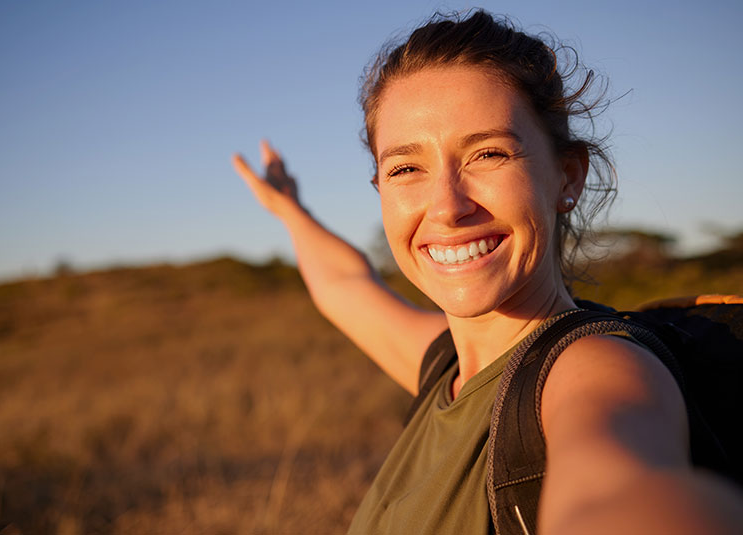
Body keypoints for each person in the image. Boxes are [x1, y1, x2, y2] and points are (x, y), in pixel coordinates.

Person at [232, 10, 743, 535]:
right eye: (406, 168)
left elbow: (617, 491)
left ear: (567, 176)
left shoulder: (595, 369)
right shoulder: (446, 368)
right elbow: (345, 287)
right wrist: (290, 210)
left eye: (488, 154)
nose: (447, 206)